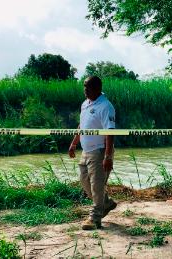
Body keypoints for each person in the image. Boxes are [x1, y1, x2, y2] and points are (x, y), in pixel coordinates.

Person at [68, 75, 117, 230]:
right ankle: (106, 203)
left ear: (98, 89)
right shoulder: (85, 104)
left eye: (88, 87)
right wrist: (74, 143)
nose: (85, 90)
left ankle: (94, 218)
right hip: (85, 151)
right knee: (84, 181)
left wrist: (108, 156)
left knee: (97, 186)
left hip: (99, 151)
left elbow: (110, 132)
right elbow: (81, 125)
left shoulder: (106, 106)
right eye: (84, 86)